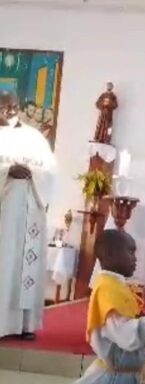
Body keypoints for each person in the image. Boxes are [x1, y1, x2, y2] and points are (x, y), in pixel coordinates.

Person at [0, 229, 145, 384]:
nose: (135, 258)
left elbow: (135, 336)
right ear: (110, 254)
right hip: (113, 380)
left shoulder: (118, 286)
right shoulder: (107, 289)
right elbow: (126, 335)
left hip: (123, 378)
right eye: (130, 251)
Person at [0, 91, 56, 340]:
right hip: (4, 211)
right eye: (3, 107)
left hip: (30, 209)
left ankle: (24, 324)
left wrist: (32, 172)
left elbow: (51, 172)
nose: (9, 111)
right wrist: (7, 170)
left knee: (24, 265)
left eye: (13, 106)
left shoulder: (34, 138)